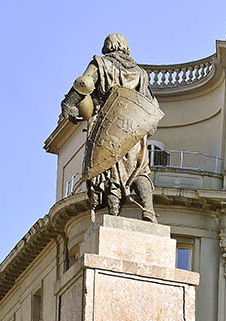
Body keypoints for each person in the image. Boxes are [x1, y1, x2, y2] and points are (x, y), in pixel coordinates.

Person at [60, 33, 159, 222]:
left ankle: (114, 217)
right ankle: (148, 210)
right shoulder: (141, 73)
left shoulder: (101, 64)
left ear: (108, 47)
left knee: (112, 173)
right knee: (139, 169)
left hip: (109, 128)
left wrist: (68, 104)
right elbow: (151, 105)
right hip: (134, 133)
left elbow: (85, 83)